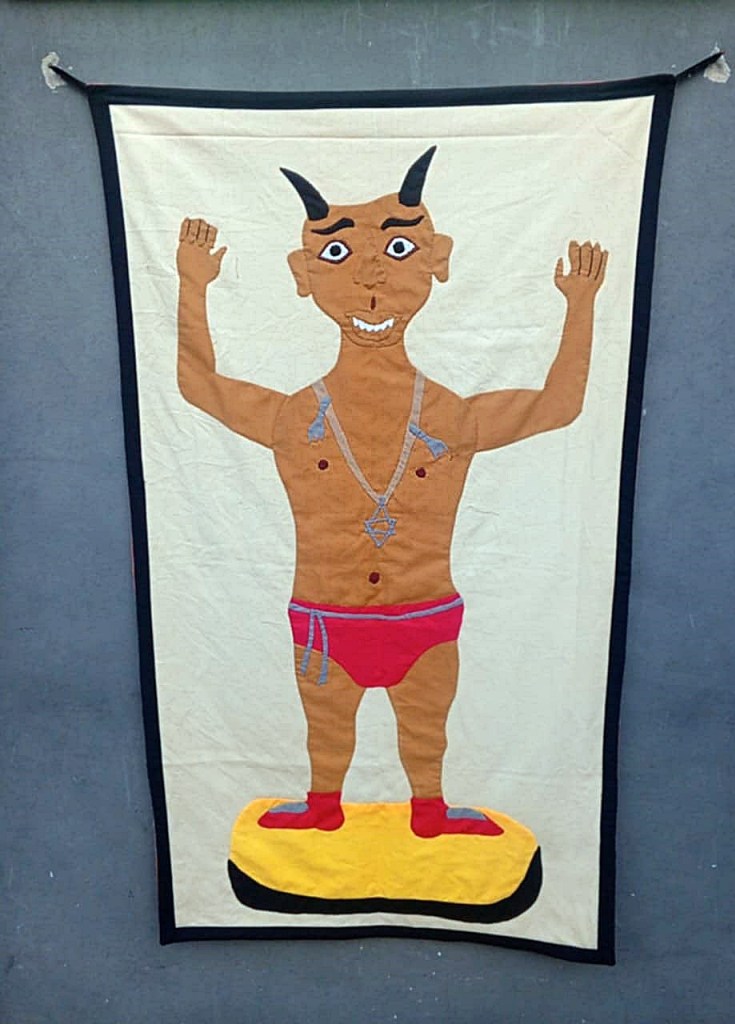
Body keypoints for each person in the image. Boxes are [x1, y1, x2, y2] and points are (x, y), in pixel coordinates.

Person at [175, 147, 607, 839]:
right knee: (326, 728)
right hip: (327, 619)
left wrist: (580, 305)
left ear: (437, 259)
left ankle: (429, 810)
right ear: (303, 275)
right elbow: (200, 386)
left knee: (426, 728)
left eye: (399, 248)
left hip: (423, 617)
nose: (373, 276)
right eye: (338, 253)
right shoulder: (297, 419)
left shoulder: (449, 418)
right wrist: (191, 285)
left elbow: (557, 405)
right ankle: (323, 804)